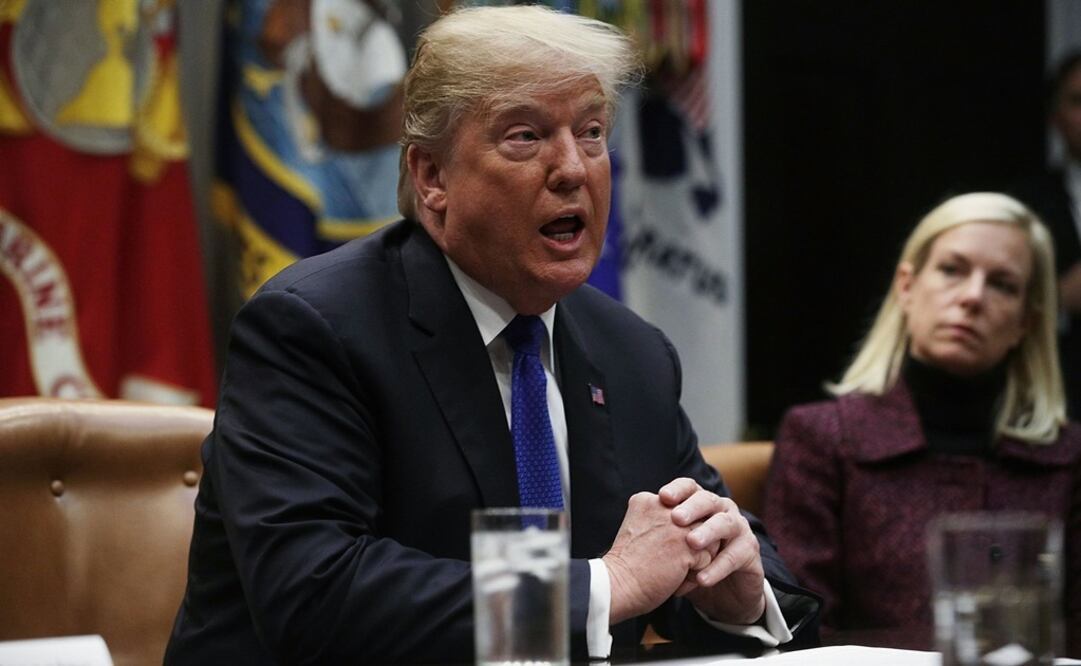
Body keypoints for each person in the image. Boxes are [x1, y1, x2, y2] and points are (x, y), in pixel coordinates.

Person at [165, 6, 817, 664]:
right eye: (525, 137)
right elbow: (314, 595)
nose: (573, 168)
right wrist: (602, 586)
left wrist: (737, 594)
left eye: (591, 132)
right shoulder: (314, 329)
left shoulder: (631, 354)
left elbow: (698, 553)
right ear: (432, 176)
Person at [764, 192, 1081, 654]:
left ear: (1026, 323)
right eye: (952, 270)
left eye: (1002, 284)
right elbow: (802, 634)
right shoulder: (821, 438)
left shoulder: (1069, 457)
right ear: (907, 287)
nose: (972, 297)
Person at [1011, 51, 1081, 420]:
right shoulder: (1027, 203)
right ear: (1056, 117)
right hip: (1063, 399)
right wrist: (1059, 300)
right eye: (1078, 101)